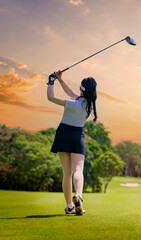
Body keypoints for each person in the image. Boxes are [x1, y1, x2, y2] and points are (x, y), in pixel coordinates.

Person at [47, 70, 97, 216]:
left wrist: (51, 81)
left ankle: (70, 206)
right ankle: (79, 196)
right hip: (77, 136)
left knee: (67, 173)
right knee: (78, 170)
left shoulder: (71, 103)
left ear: (81, 89)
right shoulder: (89, 105)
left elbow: (50, 97)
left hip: (62, 134)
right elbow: (72, 94)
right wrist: (61, 80)